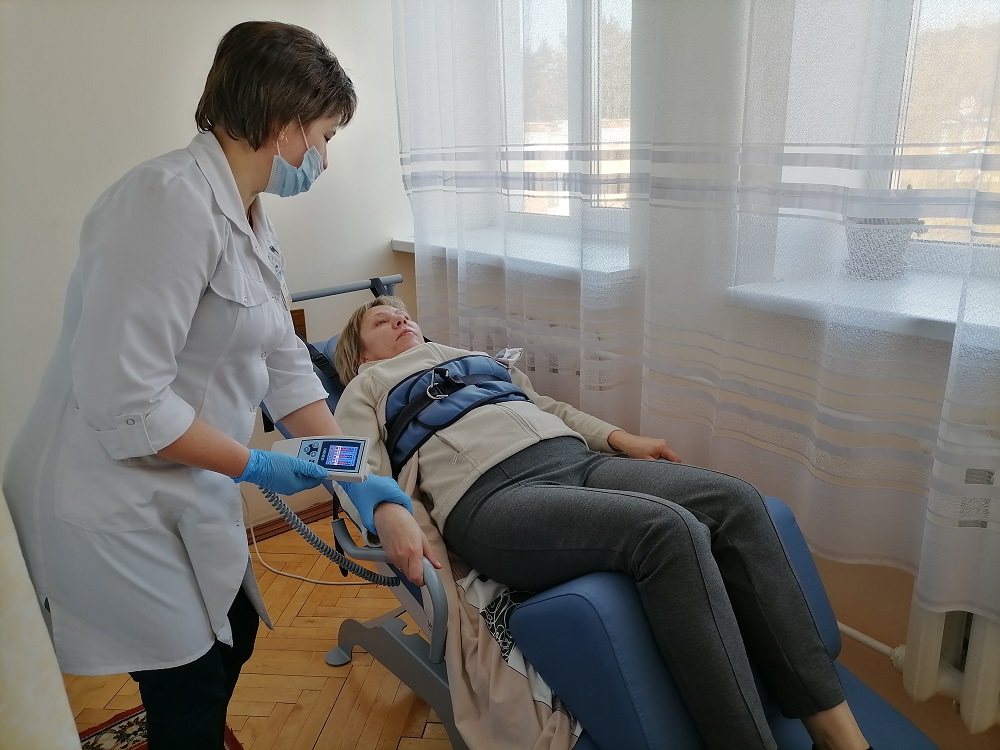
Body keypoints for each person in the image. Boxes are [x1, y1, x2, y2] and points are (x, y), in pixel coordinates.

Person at [2, 22, 413, 749]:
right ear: (286, 124)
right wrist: (257, 465)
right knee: (188, 684)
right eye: (325, 135)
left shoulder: (251, 219)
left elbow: (286, 366)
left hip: (178, 478)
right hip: (108, 494)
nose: (324, 157)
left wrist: (355, 474)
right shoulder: (164, 202)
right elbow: (125, 400)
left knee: (238, 628)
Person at [331, 296, 875, 750]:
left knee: (737, 502)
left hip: (578, 460)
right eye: (382, 321)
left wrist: (621, 438)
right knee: (667, 532)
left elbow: (549, 407)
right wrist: (385, 510)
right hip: (493, 496)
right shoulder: (365, 389)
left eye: (404, 314)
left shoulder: (472, 359)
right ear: (359, 354)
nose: (400, 320)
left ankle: (838, 735)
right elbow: (348, 462)